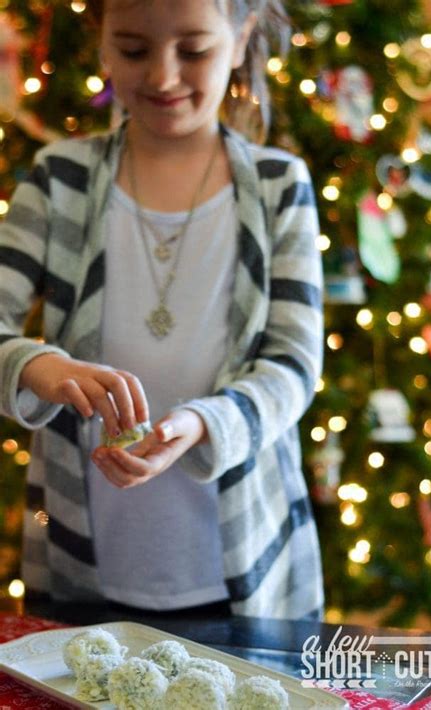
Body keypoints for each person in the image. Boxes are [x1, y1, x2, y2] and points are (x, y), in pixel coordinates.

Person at [0, 0, 324, 620]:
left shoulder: (282, 186)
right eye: (133, 49)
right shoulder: (58, 178)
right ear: (101, 44)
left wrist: (205, 424)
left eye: (194, 51)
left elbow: (294, 365)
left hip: (246, 572)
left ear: (240, 39)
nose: (163, 77)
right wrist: (43, 369)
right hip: (81, 566)